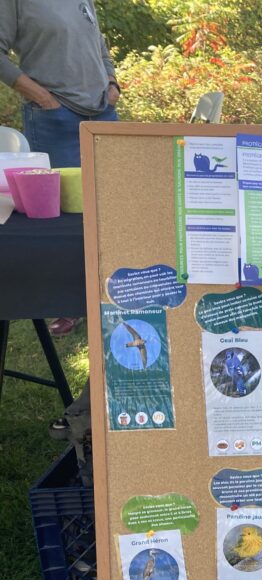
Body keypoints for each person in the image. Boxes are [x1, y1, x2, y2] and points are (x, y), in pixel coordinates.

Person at [1, 0, 121, 336]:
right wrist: (43, 98)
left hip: (102, 112)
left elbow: (99, 47)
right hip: (55, 115)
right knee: (65, 218)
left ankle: (116, 294)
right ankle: (69, 304)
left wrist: (112, 84)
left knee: (111, 206)